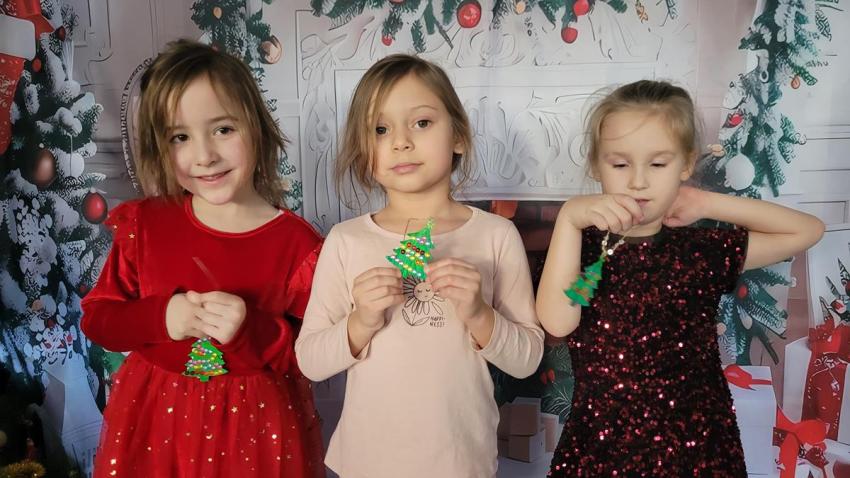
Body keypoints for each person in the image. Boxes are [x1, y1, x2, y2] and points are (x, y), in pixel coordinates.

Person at [536, 80, 825, 477]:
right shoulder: (580, 251)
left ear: (685, 164)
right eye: (620, 164)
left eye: (658, 164)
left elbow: (807, 230)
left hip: (698, 449)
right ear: (595, 164)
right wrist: (569, 217)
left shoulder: (700, 250)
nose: (638, 181)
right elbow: (557, 321)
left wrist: (706, 202)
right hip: (601, 450)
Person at [81, 39, 323, 477]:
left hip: (256, 438)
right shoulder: (145, 225)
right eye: (180, 137)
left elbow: (314, 355)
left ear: (256, 126)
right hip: (157, 428)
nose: (205, 156)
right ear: (160, 146)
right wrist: (161, 318)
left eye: (223, 129)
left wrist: (251, 331)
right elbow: (99, 320)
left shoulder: (298, 244)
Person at [295, 54, 544, 478]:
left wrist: (479, 314)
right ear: (364, 151)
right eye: (380, 129)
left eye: (422, 123)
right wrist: (361, 321)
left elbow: (527, 360)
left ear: (458, 136)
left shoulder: (496, 235)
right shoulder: (346, 240)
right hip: (367, 462)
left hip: (461, 462)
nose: (401, 142)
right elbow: (310, 361)